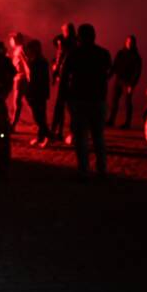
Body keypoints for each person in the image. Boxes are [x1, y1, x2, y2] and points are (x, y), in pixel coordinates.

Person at [59, 23, 112, 178]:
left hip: (79, 100)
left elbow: (64, 78)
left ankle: (83, 170)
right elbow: (108, 72)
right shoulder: (103, 54)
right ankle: (101, 170)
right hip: (97, 100)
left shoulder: (73, 54)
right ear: (94, 36)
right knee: (98, 137)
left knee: (81, 138)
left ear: (79, 37)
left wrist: (64, 98)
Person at [107, 35, 143, 128]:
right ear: (125, 42)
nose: (129, 44)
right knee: (114, 101)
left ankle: (127, 123)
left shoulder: (136, 56)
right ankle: (111, 120)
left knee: (127, 102)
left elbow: (137, 72)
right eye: (128, 42)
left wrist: (132, 84)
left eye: (131, 42)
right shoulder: (120, 53)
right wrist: (108, 77)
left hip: (127, 83)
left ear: (134, 44)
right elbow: (115, 66)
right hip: (118, 80)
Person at [50, 23, 77, 143]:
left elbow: (63, 60)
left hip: (70, 80)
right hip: (63, 78)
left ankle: (72, 133)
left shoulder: (73, 44)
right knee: (61, 106)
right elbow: (55, 42)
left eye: (65, 30)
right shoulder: (63, 42)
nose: (64, 32)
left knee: (70, 107)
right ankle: (58, 132)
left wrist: (57, 70)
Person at [24, 39, 51, 147]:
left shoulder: (40, 61)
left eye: (30, 48)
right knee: (39, 116)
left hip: (38, 92)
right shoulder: (36, 60)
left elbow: (37, 78)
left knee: (39, 116)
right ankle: (41, 137)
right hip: (37, 91)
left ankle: (47, 136)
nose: (28, 50)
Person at [8, 33, 28, 130]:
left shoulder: (21, 49)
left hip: (21, 78)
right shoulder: (17, 50)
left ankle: (13, 124)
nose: (10, 41)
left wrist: (29, 76)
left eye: (11, 39)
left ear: (15, 39)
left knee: (17, 102)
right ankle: (13, 123)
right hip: (19, 77)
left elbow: (26, 63)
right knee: (21, 102)